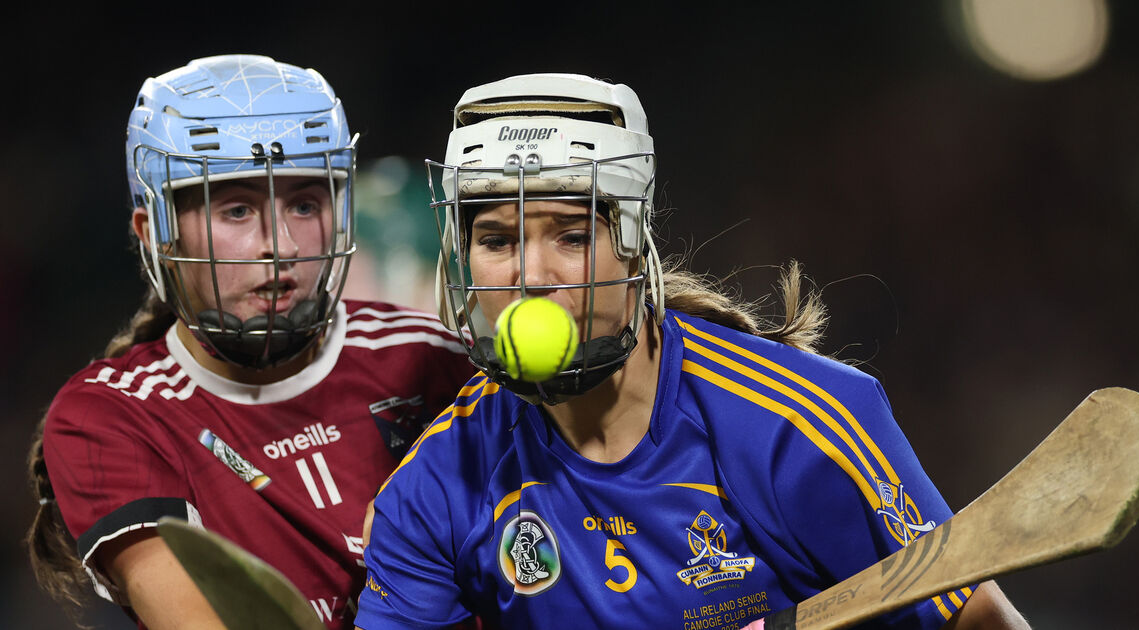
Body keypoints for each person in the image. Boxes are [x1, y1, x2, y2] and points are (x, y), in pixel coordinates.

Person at [354, 73, 1031, 630]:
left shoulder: (796, 425)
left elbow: (978, 620)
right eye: (497, 240)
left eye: (569, 234)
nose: (531, 275)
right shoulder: (437, 484)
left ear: (632, 246)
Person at [27, 54, 476, 630]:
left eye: (305, 204)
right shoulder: (111, 415)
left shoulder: (430, 358)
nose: (281, 245)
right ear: (155, 233)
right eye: (237, 209)